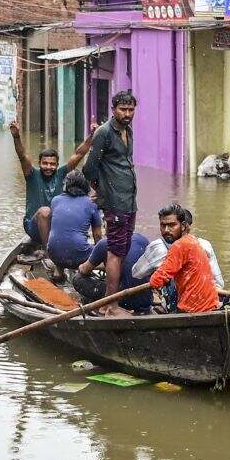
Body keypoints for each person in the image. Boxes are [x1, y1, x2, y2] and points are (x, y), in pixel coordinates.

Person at [83, 91, 137, 315]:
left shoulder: (128, 131)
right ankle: (111, 305)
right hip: (115, 202)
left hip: (129, 200)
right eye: (123, 109)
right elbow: (89, 169)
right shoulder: (104, 132)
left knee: (122, 249)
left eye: (131, 109)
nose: (127, 114)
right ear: (113, 109)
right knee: (114, 251)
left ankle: (110, 299)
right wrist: (103, 192)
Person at [10, 119, 91, 254]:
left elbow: (79, 154)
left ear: (57, 165)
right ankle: (51, 254)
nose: (48, 167)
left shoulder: (62, 174)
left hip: (56, 227)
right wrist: (16, 136)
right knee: (45, 211)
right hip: (33, 226)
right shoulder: (32, 174)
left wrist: (92, 136)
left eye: (52, 164)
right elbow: (22, 156)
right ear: (39, 163)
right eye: (45, 163)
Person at [132, 204, 225, 304]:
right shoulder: (203, 244)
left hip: (187, 305)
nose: (166, 230)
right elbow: (219, 284)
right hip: (210, 301)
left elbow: (137, 274)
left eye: (172, 225)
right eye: (163, 225)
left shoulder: (165, 247)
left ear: (184, 226)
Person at [76, 232, 153, 315]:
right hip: (145, 301)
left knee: (78, 279)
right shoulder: (142, 239)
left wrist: (88, 264)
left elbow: (84, 270)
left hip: (122, 300)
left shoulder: (105, 243)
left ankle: (101, 305)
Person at [46, 170, 103, 271]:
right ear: (86, 186)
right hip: (79, 257)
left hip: (53, 254)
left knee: (61, 238)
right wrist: (99, 255)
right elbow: (97, 235)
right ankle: (87, 268)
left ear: (66, 185)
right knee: (109, 256)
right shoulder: (91, 203)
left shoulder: (55, 200)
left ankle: (58, 272)